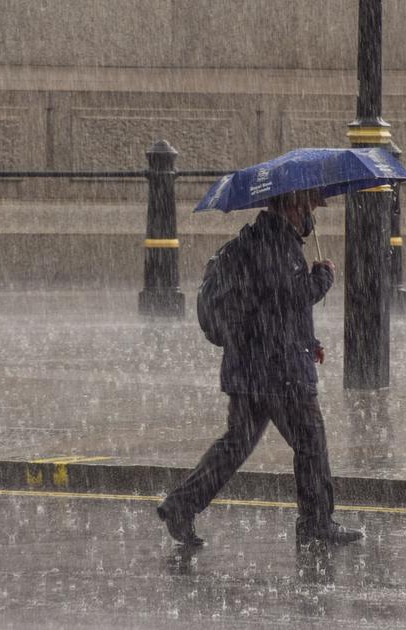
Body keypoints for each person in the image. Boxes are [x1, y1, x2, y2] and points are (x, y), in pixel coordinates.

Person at [157, 189, 363, 546]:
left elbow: (273, 307)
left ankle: (182, 505)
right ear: (293, 204)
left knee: (237, 444)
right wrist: (324, 277)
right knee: (311, 441)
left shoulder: (263, 239)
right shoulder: (275, 243)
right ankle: (317, 523)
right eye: (312, 203)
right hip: (277, 370)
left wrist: (308, 343)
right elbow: (291, 296)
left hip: (251, 365)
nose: (314, 212)